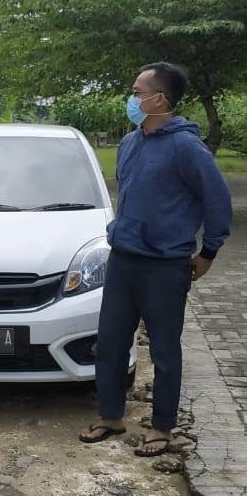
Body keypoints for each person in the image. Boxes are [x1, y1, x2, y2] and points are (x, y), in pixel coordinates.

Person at [79, 62, 232, 456]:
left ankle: (162, 427)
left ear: (159, 98)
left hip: (165, 265)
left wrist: (209, 252)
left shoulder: (185, 146)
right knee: (110, 343)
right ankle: (111, 416)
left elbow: (218, 201)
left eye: (137, 91)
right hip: (124, 260)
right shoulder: (131, 143)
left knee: (165, 349)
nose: (132, 99)